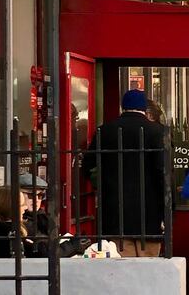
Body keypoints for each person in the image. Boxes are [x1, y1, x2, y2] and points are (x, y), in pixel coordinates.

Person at [83, 89, 164, 257]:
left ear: (123, 107)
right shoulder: (158, 132)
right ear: (144, 108)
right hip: (149, 215)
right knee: (148, 269)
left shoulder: (104, 130)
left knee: (122, 269)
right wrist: (166, 213)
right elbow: (163, 175)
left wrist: (102, 184)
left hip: (115, 213)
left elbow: (88, 166)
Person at [18, 172, 90, 257]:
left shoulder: (41, 216)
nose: (36, 199)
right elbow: (45, 254)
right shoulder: (20, 222)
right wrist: (73, 246)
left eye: (40, 195)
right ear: (19, 195)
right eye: (31, 195)